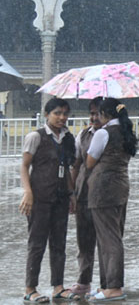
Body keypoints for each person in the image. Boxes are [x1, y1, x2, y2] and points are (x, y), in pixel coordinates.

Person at [20, 98, 76, 304]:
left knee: (59, 242)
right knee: (37, 243)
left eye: (65, 114)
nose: (62, 118)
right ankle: (30, 288)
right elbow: (24, 166)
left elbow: (68, 171)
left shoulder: (68, 139)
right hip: (40, 198)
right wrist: (28, 192)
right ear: (47, 114)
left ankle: (58, 287)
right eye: (57, 113)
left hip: (60, 199)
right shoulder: (36, 137)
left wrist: (72, 195)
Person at [85, 97, 138, 302]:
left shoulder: (103, 133)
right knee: (111, 237)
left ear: (104, 114)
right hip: (120, 187)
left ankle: (113, 287)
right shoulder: (125, 132)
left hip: (102, 190)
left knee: (109, 240)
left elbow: (90, 161)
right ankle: (106, 285)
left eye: (98, 113)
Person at [65, 97, 103, 301]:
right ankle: (84, 280)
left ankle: (109, 283)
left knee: (107, 241)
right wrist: (72, 192)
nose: (93, 117)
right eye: (91, 113)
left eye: (98, 113)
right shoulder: (83, 135)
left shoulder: (113, 135)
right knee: (84, 238)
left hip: (105, 196)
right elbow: (76, 164)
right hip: (83, 193)